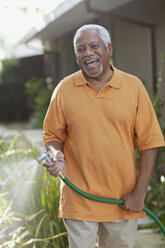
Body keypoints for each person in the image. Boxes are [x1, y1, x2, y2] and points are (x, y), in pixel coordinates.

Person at [43, 24, 165, 248]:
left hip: (121, 199)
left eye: (94, 46)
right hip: (78, 199)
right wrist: (55, 154)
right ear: (77, 56)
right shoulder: (64, 89)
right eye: (81, 49)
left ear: (109, 49)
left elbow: (150, 143)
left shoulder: (133, 87)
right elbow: (52, 134)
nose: (87, 52)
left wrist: (139, 193)